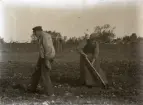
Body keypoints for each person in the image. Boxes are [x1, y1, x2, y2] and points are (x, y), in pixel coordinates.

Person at [28, 26, 55, 96]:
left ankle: (50, 93)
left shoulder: (45, 36)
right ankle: (32, 89)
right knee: (36, 72)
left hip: (47, 57)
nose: (34, 34)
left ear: (38, 31)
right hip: (42, 57)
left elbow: (48, 49)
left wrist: (46, 60)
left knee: (45, 74)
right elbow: (42, 49)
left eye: (34, 32)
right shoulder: (41, 36)